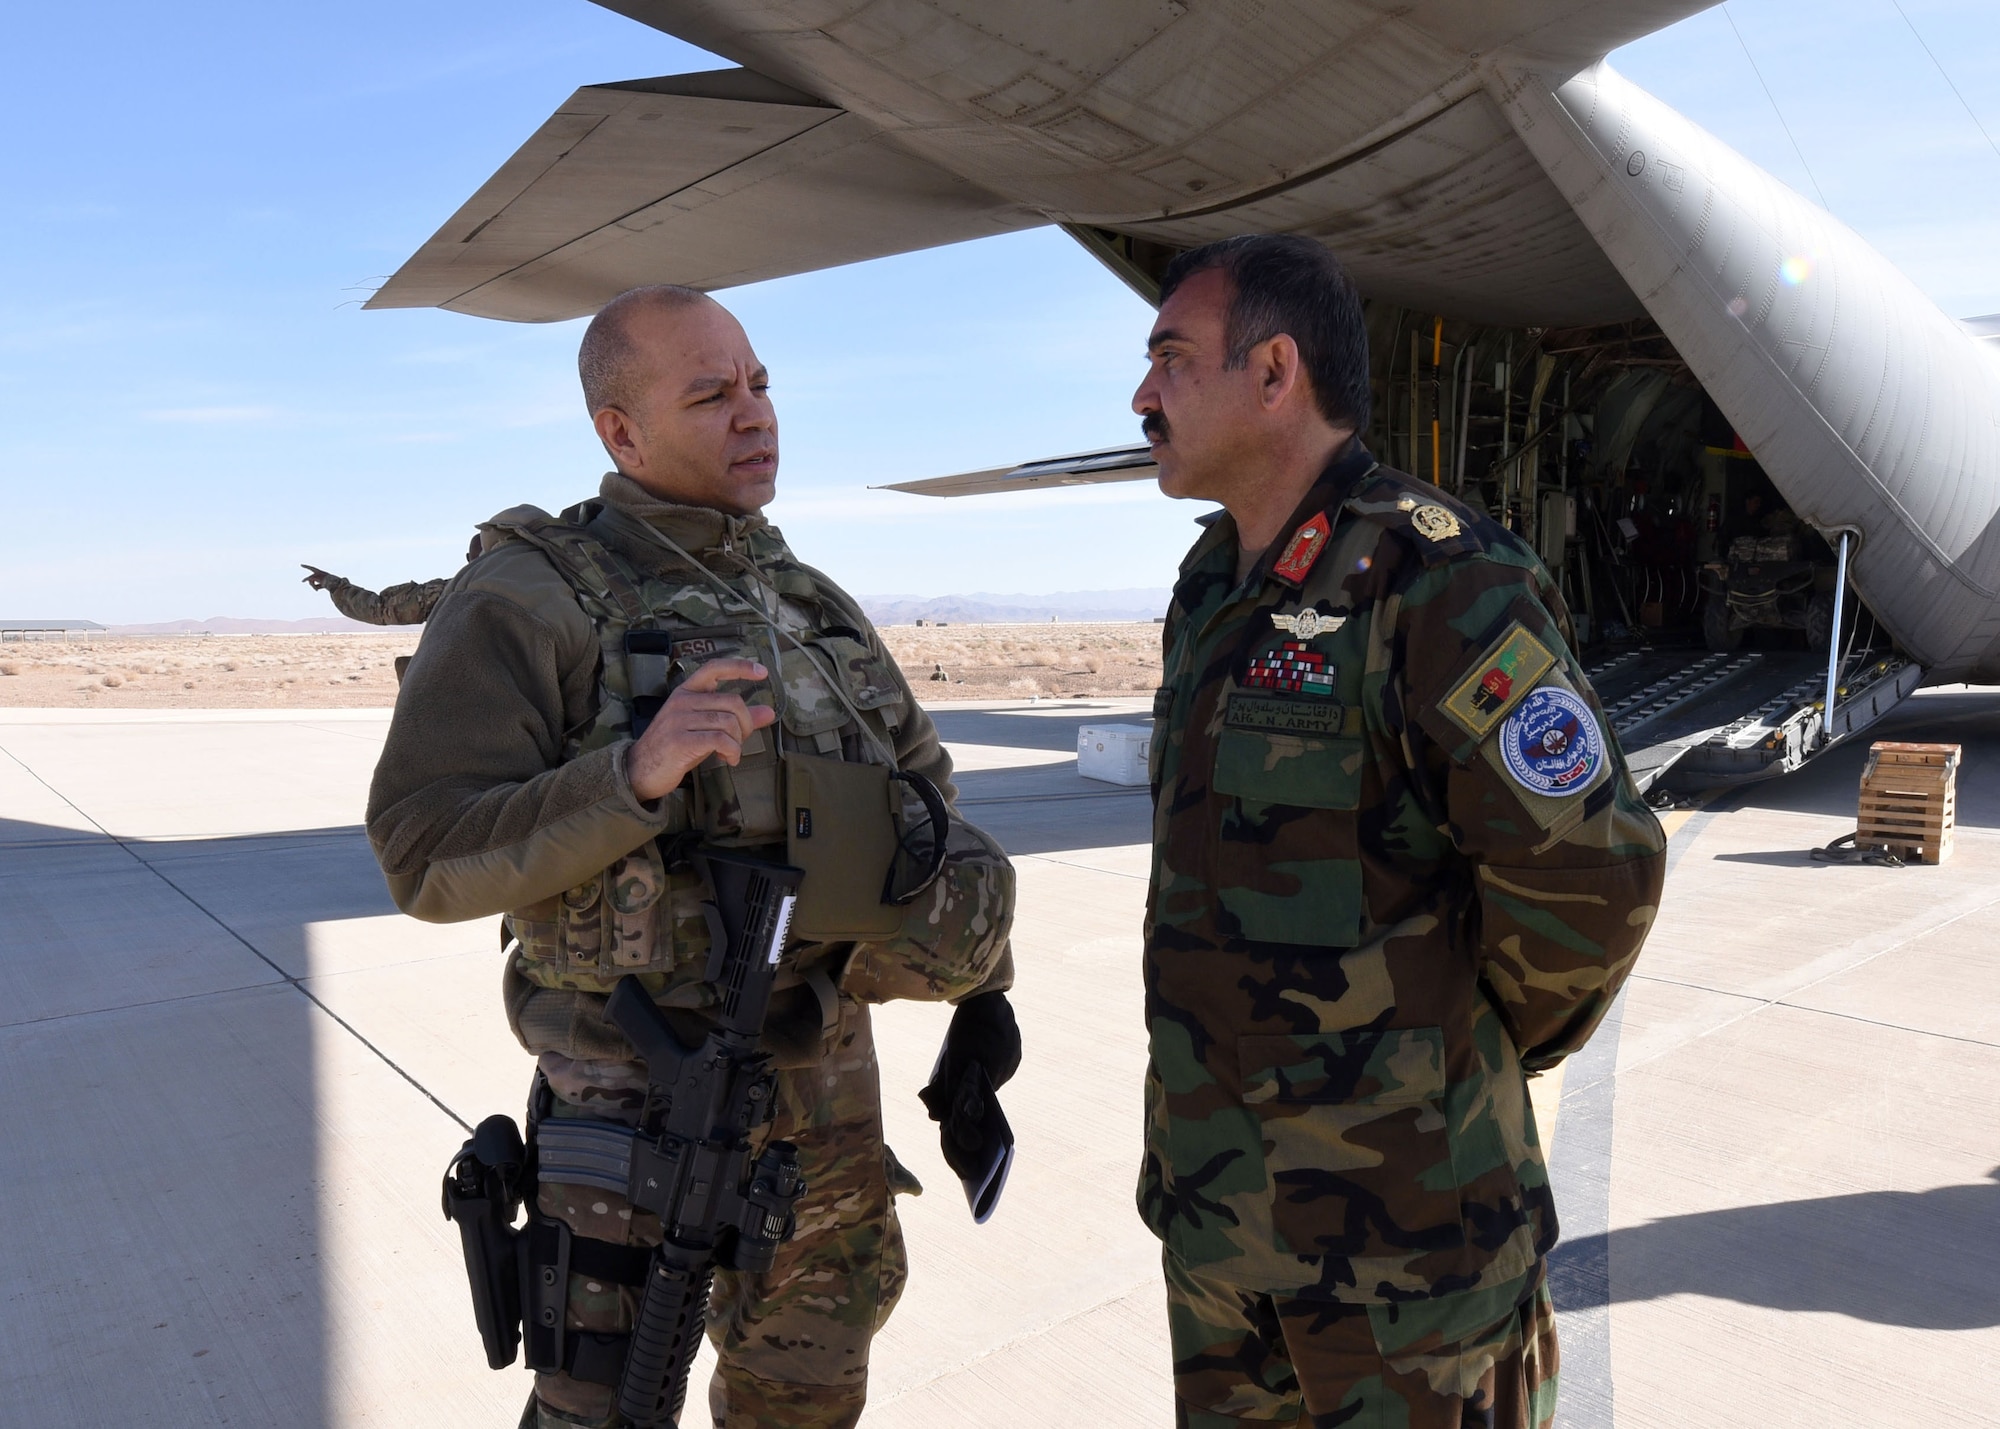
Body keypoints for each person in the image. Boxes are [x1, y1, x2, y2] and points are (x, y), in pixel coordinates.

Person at [365, 285, 1020, 1429]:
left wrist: (969, 965)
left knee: (804, 1404)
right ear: (619, 431)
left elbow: (926, 804)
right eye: (712, 393)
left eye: (759, 383)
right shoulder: (530, 597)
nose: (754, 414)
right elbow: (422, 854)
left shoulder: (811, 603)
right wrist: (630, 777)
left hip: (822, 1120)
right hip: (635, 1126)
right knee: (600, 1411)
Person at [1131, 235, 1666, 1428]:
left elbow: (1593, 876)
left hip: (1410, 1261)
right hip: (1224, 1236)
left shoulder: (1440, 579)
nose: (1142, 394)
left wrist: (1451, 1058)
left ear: (1272, 373)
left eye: (1170, 357)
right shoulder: (1211, 588)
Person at [300, 535, 480, 625]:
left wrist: (331, 583)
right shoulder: (449, 591)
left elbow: (379, 609)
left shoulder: (449, 592)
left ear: (468, 559)